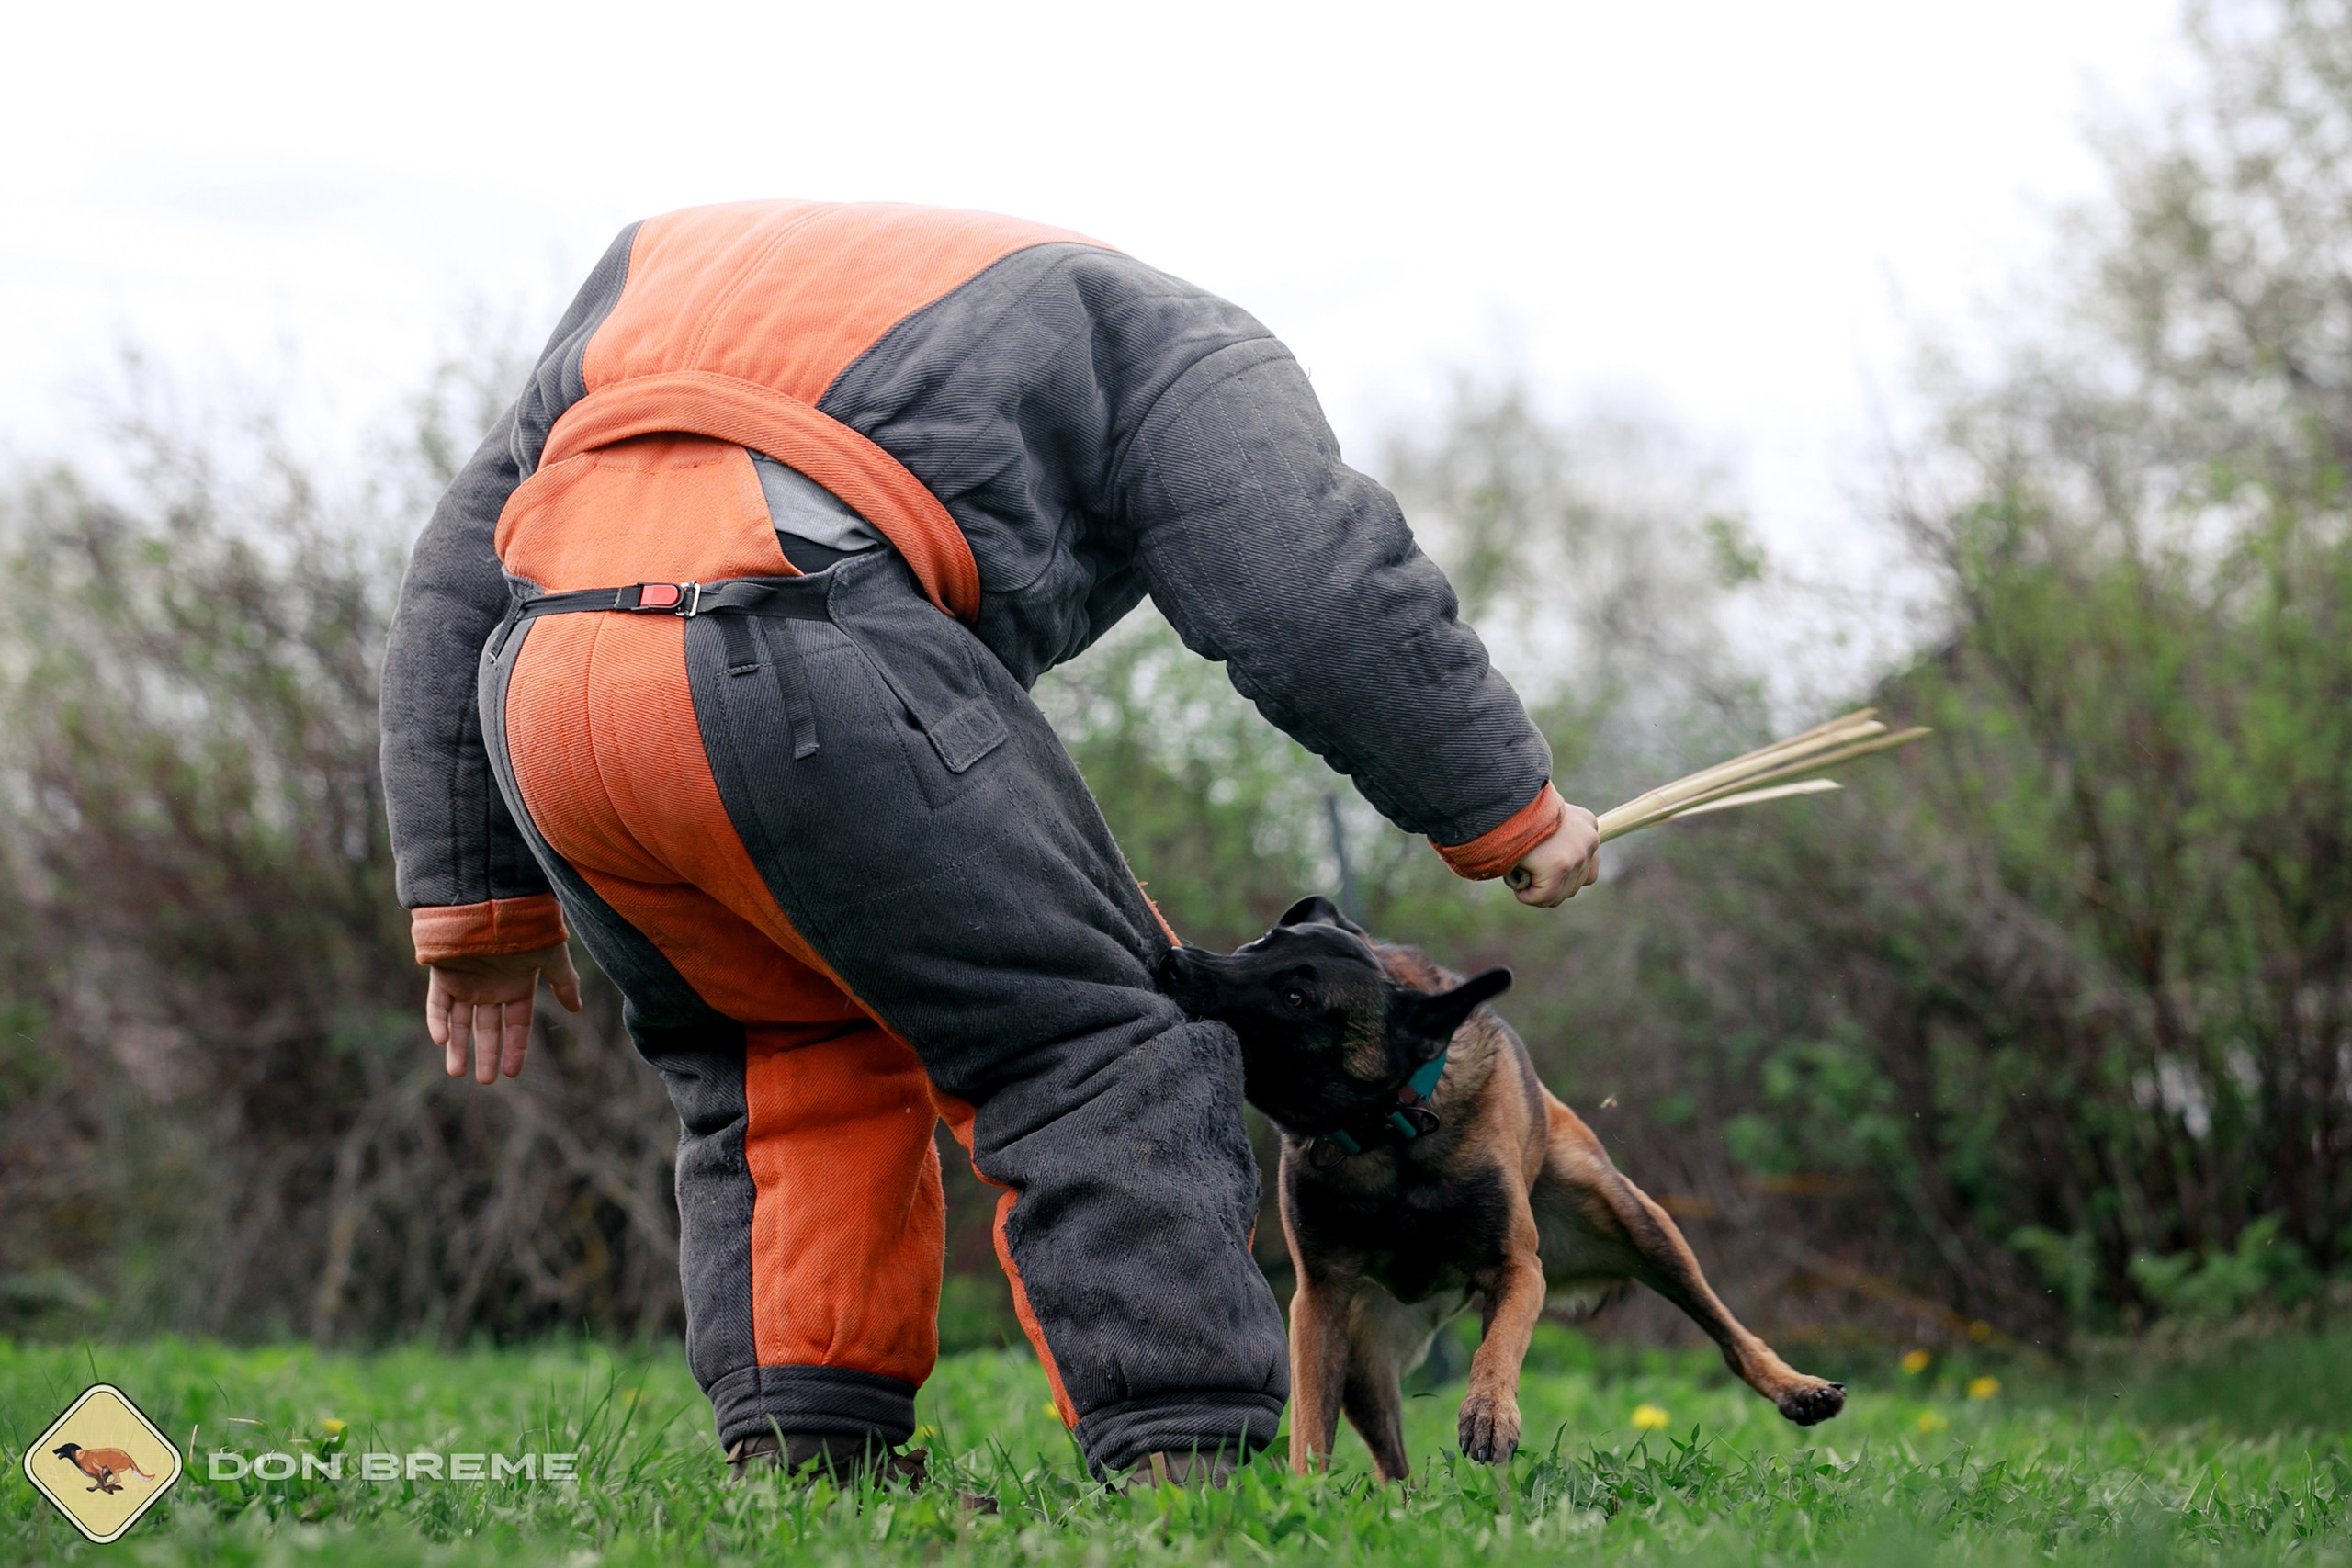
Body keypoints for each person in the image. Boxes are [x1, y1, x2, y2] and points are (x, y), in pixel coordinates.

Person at [379, 200, 1600, 1486]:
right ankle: (1189, 1469)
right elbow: (1315, 581)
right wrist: (1502, 804)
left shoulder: (658, 265)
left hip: (550, 687)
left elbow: (463, 558)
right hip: (801, 645)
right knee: (1099, 1041)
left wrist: (470, 902)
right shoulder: (1168, 337)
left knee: (781, 1059)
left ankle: (808, 1459)